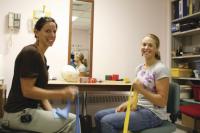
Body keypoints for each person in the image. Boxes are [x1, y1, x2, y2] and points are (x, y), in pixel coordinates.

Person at [3, 17, 79, 133]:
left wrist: (52, 113)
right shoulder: (31, 53)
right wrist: (62, 93)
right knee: (73, 120)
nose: (52, 35)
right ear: (36, 32)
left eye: (54, 31)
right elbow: (28, 90)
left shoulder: (42, 57)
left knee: (64, 119)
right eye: (47, 31)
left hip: (29, 110)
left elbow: (41, 95)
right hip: (18, 113)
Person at [95, 34, 170, 133]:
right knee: (99, 116)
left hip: (154, 113)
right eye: (144, 44)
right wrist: (127, 103)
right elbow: (137, 96)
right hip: (138, 107)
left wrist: (141, 90)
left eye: (150, 45)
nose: (146, 47)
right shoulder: (139, 68)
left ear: (156, 49)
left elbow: (162, 102)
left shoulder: (160, 69)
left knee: (107, 121)